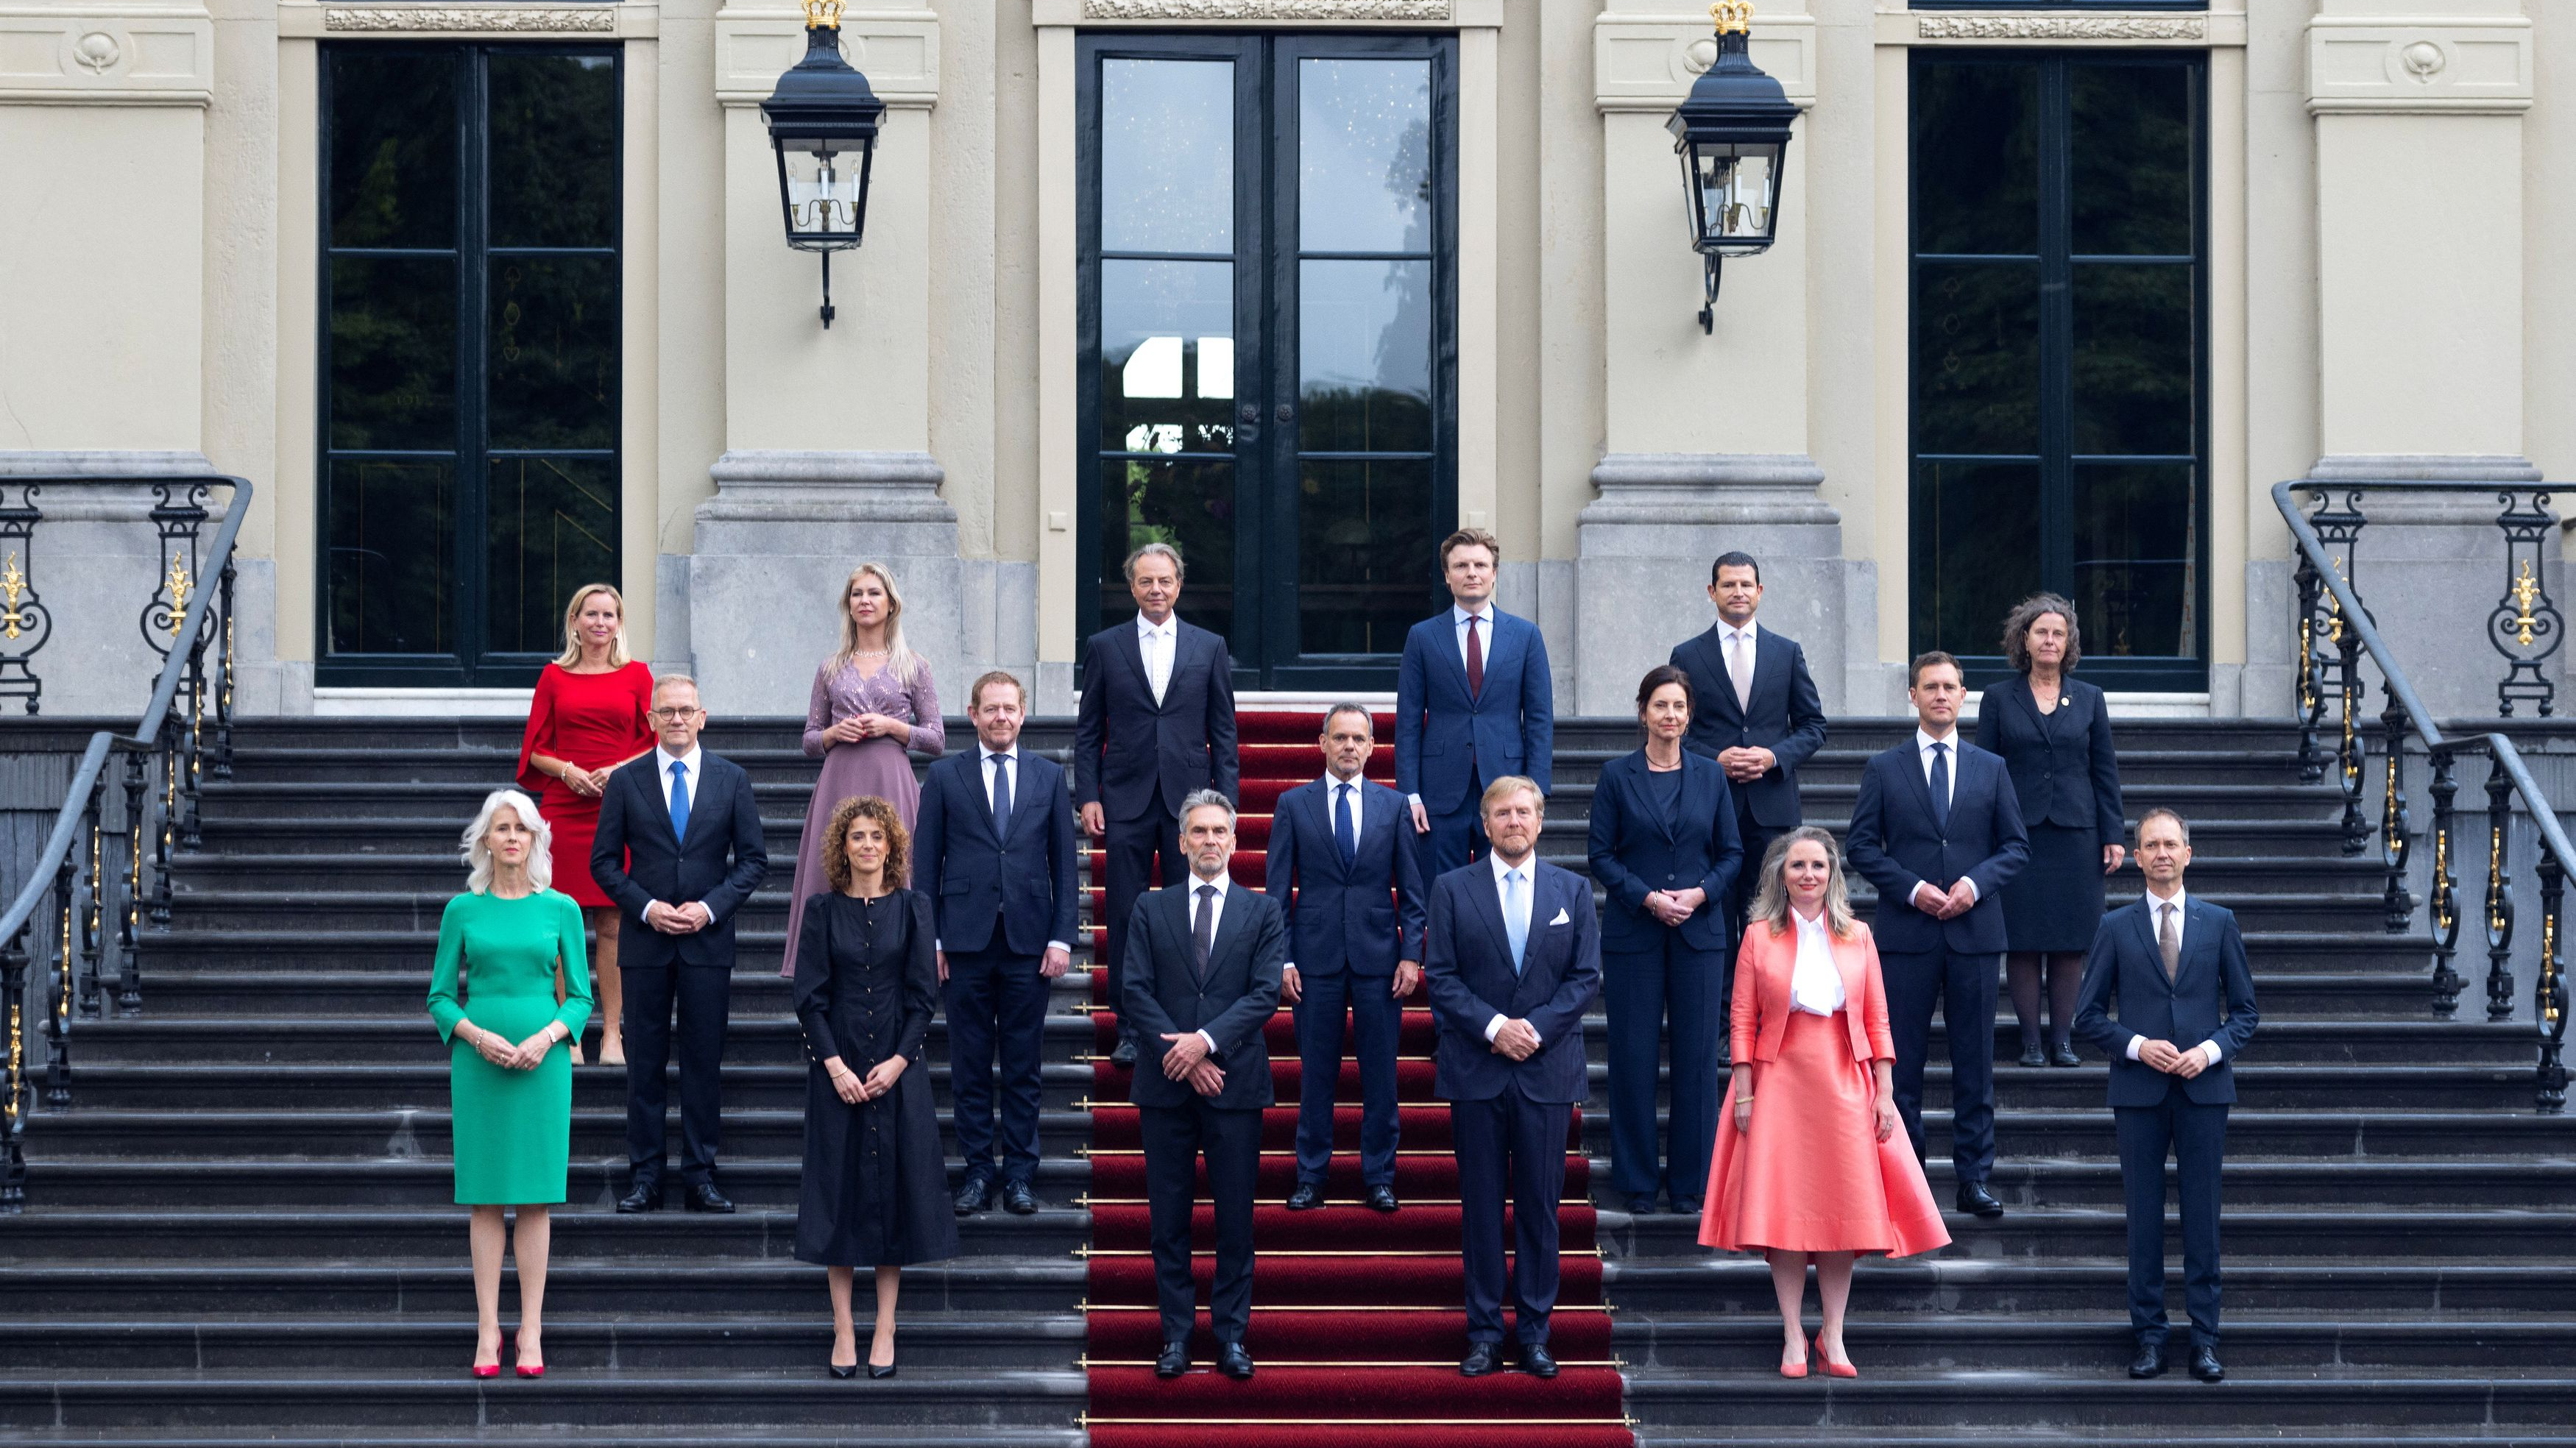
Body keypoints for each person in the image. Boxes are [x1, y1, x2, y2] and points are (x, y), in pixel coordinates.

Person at [1699, 828, 1950, 1378]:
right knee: (1784, 1213)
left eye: (1818, 865)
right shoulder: (1758, 937)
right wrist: (1743, 1090)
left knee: (1844, 1213)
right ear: (1780, 876)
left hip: (1845, 1078)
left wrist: (1885, 1092)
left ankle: (1832, 1336)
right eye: (1797, 866)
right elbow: (1741, 1018)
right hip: (1778, 1080)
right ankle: (1793, 1335)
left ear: (1833, 874)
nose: (1808, 874)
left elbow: (1879, 1018)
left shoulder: (1858, 934)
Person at [2073, 807, 2259, 1385]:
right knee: (2144, 1219)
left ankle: (2205, 1339)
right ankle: (2150, 1337)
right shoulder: (2116, 925)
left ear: (2188, 854)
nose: (2161, 853)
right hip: (2140, 1092)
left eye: (2170, 844)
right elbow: (2086, 1017)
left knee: (2202, 1218)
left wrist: (2208, 1051)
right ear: (2135, 857)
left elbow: (2247, 1014)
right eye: (2150, 844)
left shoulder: (2220, 922)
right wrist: (2134, 1045)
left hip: (2204, 1091)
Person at [1423, 776, 1600, 1380]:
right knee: (1479, 1210)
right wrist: (1496, 1027)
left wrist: (1534, 1030)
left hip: (1546, 1072)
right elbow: (1440, 977)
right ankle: (1482, 1334)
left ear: (1541, 820)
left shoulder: (1571, 890)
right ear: (1486, 822)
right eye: (1502, 813)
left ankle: (1534, 1333)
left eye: (1523, 811)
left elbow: (1585, 977)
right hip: (1477, 1070)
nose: (1513, 821)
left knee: (1540, 1211)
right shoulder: (1451, 888)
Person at [1845, 650, 2029, 1220]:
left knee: (1975, 1065)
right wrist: (1912, 888)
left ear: (1964, 694)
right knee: (1902, 1064)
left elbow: (2016, 847)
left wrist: (1975, 885)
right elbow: (1860, 848)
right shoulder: (1884, 767)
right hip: (1907, 934)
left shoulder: (1990, 767)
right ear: (1913, 695)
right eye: (1931, 687)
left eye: (1950, 686)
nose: (1941, 696)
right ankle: (1907, 1178)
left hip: (1975, 933)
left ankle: (1974, 1178)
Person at [428, 788, 594, 1379]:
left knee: (534, 1197)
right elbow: (441, 997)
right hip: (479, 1065)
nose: (512, 838)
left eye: (522, 828)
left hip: (541, 1065)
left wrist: (548, 1038)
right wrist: (476, 1037)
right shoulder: (461, 911)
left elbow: (580, 997)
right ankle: (486, 1328)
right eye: (502, 828)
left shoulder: (563, 909)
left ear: (536, 840)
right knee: (485, 1197)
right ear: (486, 840)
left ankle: (531, 1329)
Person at [792, 795, 959, 1379]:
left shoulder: (914, 909)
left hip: (896, 1072)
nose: (867, 845)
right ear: (843, 847)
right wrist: (834, 1065)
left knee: (894, 1199)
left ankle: (884, 1326)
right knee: (836, 1198)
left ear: (892, 846)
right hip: (835, 1072)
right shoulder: (820, 910)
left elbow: (922, 997)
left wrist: (898, 1062)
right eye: (856, 837)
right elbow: (809, 997)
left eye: (876, 837)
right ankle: (843, 1328)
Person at [1121, 790, 1285, 1383]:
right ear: (1183, 841)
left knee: (1234, 1218)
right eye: (1200, 832)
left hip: (1235, 1085)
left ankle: (1232, 1336)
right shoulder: (1149, 906)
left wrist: (1207, 1043)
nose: (1210, 841)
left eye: (1220, 831)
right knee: (1169, 1218)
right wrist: (1185, 1054)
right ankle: (1176, 1336)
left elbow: (1264, 993)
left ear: (1234, 841)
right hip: (1166, 1085)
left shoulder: (1262, 911)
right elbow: (1134, 990)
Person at [592, 674, 770, 1215]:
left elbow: (755, 861)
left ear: (702, 717)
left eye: (685, 710)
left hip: (706, 942)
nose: (675, 719)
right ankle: (646, 1176)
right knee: (644, 1064)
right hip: (645, 944)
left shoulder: (731, 779)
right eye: (665, 711)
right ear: (650, 720)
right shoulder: (626, 782)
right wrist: (645, 906)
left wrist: (709, 907)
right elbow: (602, 863)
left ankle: (701, 1175)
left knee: (701, 1063)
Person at [914, 670, 1078, 1218]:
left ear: (1023, 713)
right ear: (973, 712)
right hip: (963, 942)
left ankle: (1021, 1177)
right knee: (969, 1065)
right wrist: (930, 939)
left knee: (1024, 1066)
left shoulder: (1049, 777)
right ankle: (978, 1174)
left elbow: (1064, 864)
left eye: (1010, 708)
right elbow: (924, 865)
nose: (1001, 717)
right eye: (992, 708)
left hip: (1030, 943)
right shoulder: (943, 776)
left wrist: (1062, 936)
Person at [1076, 542, 1240, 1068]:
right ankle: (1131, 1028)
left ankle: (1183, 1021)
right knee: (1126, 916)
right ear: (1132, 587)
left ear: (1179, 584)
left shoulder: (1209, 645)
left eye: (1165, 581)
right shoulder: (1105, 645)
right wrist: (1087, 795)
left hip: (1188, 807)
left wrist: (1226, 808)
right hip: (1124, 800)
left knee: (1186, 916)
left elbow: (1225, 735)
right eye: (1146, 582)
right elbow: (1087, 732)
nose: (1156, 590)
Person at [1587, 665, 1743, 1217]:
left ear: (1689, 714)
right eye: (1661, 706)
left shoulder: (1710, 776)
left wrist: (1699, 895)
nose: (1670, 716)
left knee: (1698, 1059)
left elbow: (1732, 853)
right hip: (1636, 933)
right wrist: (1650, 898)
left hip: (1700, 934)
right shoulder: (1616, 776)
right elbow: (1600, 855)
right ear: (1643, 712)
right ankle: (1635, 1180)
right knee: (1632, 1056)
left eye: (1679, 706)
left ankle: (1689, 1183)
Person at [1264, 703, 1424, 1214]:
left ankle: (1379, 1175)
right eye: (1340, 738)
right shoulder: (1292, 805)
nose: (1349, 747)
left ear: (1373, 747)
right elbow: (1275, 894)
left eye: (1359, 738)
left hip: (1381, 960)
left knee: (1381, 1075)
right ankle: (1311, 1175)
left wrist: (1411, 956)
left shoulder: (1394, 806)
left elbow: (1414, 894)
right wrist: (1283, 959)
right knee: (1316, 1074)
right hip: (1314, 961)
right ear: (1322, 743)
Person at [1977, 593, 2126, 1069]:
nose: (2049, 639)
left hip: (2076, 836)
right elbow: (1984, 769)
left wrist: (2114, 833)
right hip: (2016, 838)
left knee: (2069, 941)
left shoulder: (2090, 698)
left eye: (2058, 633)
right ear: (2025, 638)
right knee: (2021, 940)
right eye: (2041, 631)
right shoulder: (2000, 698)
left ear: (2069, 642)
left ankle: (2062, 1040)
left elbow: (2104, 771)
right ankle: (2031, 1043)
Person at [782, 562, 946, 980]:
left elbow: (937, 739)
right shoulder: (831, 667)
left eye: (874, 593)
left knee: (896, 867)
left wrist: (893, 726)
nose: (865, 601)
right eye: (857, 594)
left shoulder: (915, 665)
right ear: (848, 605)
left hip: (892, 776)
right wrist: (835, 733)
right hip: (840, 776)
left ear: (891, 604)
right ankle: (825, 967)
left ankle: (904, 965)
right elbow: (808, 740)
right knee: (834, 866)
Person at [515, 583, 654, 1065]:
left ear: (619, 623)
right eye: (591, 614)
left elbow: (657, 742)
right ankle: (569, 1032)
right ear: (575, 621)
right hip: (564, 807)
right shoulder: (554, 676)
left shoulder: (638, 675)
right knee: (560, 924)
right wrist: (568, 771)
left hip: (618, 807)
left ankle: (612, 1034)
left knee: (614, 921)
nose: (600, 622)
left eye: (609, 614)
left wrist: (618, 771)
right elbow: (534, 749)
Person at [1669, 552, 1827, 962]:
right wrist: (1713, 760)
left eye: (1745, 585)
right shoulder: (1687, 655)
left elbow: (1814, 726)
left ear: (1759, 592)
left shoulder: (1786, 652)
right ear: (1712, 592)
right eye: (1728, 585)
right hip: (1710, 804)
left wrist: (1774, 756)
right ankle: (1721, 1024)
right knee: (1715, 921)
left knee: (1770, 920)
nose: (1737, 592)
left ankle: (1768, 1017)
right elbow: (1675, 729)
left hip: (1771, 809)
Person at [1396, 528, 1554, 877]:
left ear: (1494, 574)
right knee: (1439, 893)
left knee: (1502, 890)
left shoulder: (1526, 636)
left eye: (1481, 565)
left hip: (1507, 787)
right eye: (1462, 565)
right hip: (1439, 790)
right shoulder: (1422, 637)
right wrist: (1410, 794)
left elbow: (1540, 719)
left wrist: (1537, 792)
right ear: (1447, 576)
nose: (1472, 573)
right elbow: (1407, 721)